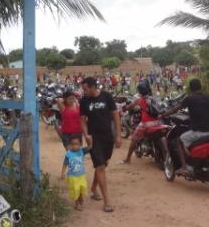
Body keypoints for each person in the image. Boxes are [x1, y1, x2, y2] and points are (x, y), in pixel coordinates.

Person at [80, 76, 122, 212]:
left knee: (103, 164)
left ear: (93, 87)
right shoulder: (84, 101)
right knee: (100, 166)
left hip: (108, 136)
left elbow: (115, 116)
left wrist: (118, 135)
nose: (84, 92)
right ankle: (107, 201)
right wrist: (86, 134)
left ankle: (93, 188)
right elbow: (82, 120)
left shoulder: (106, 96)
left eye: (85, 89)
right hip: (94, 138)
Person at [120, 82, 161, 164]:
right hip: (158, 122)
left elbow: (130, 106)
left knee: (133, 139)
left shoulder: (139, 100)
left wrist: (124, 108)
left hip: (146, 123)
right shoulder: (153, 98)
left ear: (139, 91)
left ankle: (128, 159)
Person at [60, 136, 90, 211]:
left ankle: (80, 197)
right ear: (70, 145)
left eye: (76, 144)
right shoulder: (68, 154)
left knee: (81, 188)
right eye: (72, 144)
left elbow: (90, 147)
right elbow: (65, 163)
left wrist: (89, 139)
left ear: (80, 144)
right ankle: (77, 204)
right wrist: (62, 173)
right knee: (75, 190)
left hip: (81, 175)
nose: (74, 146)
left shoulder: (82, 151)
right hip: (72, 177)